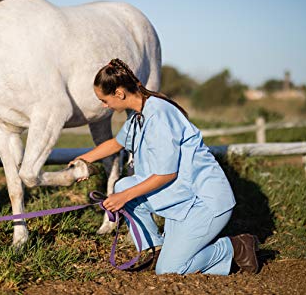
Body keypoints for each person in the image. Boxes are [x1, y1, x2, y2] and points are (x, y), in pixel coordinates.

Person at [72, 58, 259, 275]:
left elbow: (166, 174)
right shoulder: (138, 115)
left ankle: (235, 248)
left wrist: (122, 198)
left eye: (104, 100)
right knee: (123, 187)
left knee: (169, 270)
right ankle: (156, 250)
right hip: (182, 195)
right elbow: (117, 144)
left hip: (205, 202)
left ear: (119, 93)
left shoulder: (159, 116)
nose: (104, 106)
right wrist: (83, 160)